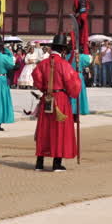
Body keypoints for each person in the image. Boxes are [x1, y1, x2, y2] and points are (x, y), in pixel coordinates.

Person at [32, 34, 82, 172]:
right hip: (60, 98)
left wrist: (44, 89)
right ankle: (56, 162)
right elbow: (73, 85)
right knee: (59, 130)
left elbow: (36, 77)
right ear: (63, 50)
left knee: (44, 129)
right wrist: (78, 76)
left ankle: (39, 162)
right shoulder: (64, 65)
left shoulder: (42, 64)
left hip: (47, 97)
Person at [70, 45, 93, 116]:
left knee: (72, 93)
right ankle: (82, 109)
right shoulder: (82, 56)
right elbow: (90, 59)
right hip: (79, 75)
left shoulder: (69, 56)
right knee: (81, 92)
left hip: (70, 76)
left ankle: (72, 110)